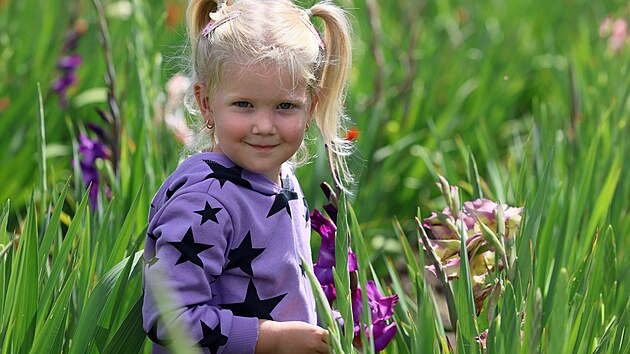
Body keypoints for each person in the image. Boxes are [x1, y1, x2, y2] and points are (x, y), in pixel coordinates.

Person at [142, 0, 353, 353]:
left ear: (311, 106)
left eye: (285, 106)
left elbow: (279, 284)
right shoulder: (206, 200)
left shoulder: (282, 179)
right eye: (244, 104)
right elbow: (168, 317)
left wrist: (321, 322)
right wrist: (271, 339)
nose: (265, 126)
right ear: (207, 102)